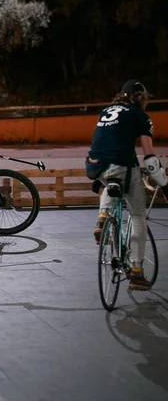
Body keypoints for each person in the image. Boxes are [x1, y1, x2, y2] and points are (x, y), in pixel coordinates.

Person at [85, 79, 167, 291]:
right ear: (138, 96)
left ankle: (103, 217)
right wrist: (164, 184)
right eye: (145, 98)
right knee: (138, 214)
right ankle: (137, 272)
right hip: (121, 164)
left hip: (95, 165)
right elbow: (149, 158)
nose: (146, 102)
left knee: (110, 182)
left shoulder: (105, 111)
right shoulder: (139, 115)